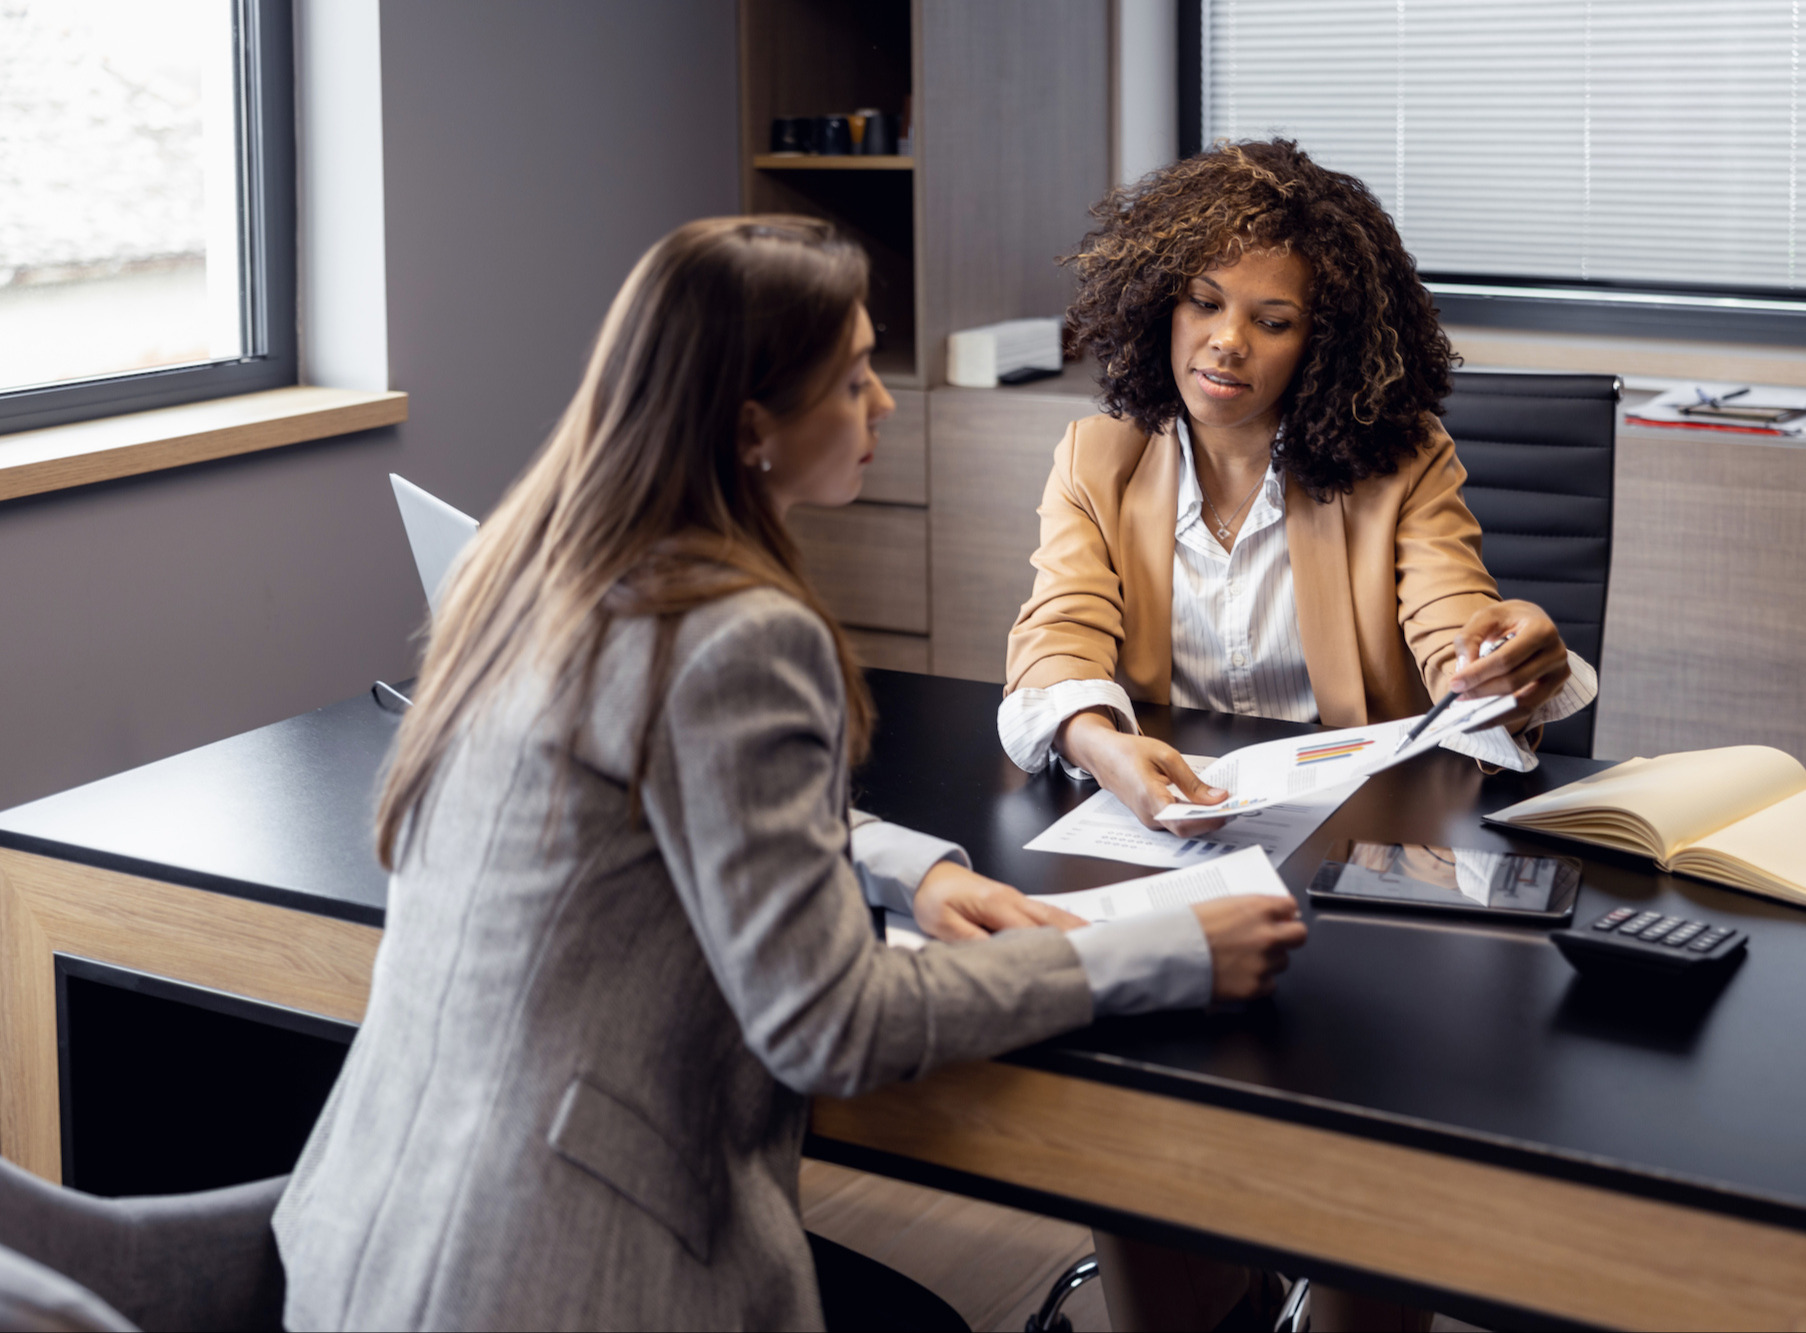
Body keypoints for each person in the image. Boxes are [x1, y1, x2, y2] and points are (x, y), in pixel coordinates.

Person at [271, 216, 1308, 1332]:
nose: (885, 402)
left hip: (364, 1236)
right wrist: (1155, 952)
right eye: (855, 377)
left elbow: (667, 785)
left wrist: (915, 873)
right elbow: (833, 1026)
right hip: (565, 1274)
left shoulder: (533, 563)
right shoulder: (741, 636)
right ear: (754, 425)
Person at [999, 140, 1598, 1331]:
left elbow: (1452, 627)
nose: (1225, 342)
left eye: (1271, 319)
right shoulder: (1099, 458)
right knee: (1135, 1101)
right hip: (1178, 852)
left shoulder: (1397, 461)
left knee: (1380, 1129)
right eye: (1204, 302)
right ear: (1158, 300)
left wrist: (1503, 652)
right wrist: (1105, 742)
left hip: (1369, 878)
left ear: (1321, 341)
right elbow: (1055, 636)